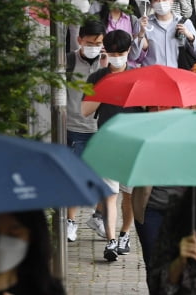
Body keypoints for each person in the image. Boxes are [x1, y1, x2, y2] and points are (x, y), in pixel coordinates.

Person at [81, 30, 144, 262]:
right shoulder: (97, 77)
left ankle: (125, 234)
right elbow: (85, 111)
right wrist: (105, 88)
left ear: (128, 52)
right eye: (113, 53)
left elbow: (148, 111)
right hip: (107, 143)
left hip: (133, 145)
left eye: (122, 53)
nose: (117, 58)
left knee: (129, 195)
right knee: (109, 194)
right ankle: (110, 241)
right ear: (105, 51)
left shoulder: (140, 77)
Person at [65, 19, 107, 242]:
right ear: (80, 39)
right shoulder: (69, 62)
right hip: (75, 128)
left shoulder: (106, 64)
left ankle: (98, 216)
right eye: (90, 42)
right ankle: (70, 221)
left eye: (99, 43)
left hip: (100, 129)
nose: (94, 47)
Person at [139, 0, 196, 67]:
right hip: (152, 74)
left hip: (177, 74)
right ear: (151, 4)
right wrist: (140, 35)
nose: (161, 3)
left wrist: (190, 37)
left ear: (171, 0)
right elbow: (134, 56)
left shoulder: (185, 23)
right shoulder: (144, 24)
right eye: (156, 0)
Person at [88, 0, 148, 67]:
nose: (124, 0)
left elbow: (134, 55)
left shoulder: (133, 20)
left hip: (126, 69)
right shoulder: (97, 19)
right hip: (103, 68)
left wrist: (141, 34)